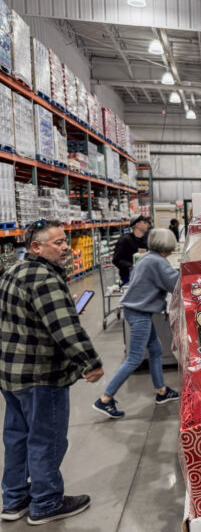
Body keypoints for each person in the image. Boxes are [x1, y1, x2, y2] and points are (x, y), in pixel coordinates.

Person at [0, 219, 104, 525]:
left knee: (17, 437)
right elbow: (65, 329)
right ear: (36, 247)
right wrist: (90, 361)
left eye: (64, 241)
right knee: (47, 439)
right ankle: (46, 502)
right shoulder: (45, 279)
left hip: (11, 374)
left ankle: (14, 500)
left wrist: (63, 306)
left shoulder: (14, 271)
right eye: (57, 243)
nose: (65, 248)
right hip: (41, 376)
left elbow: (25, 314)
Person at [94, 229, 180, 419]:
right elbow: (176, 285)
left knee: (156, 350)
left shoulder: (148, 257)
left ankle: (162, 391)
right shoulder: (158, 262)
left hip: (138, 310)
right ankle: (105, 398)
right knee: (135, 358)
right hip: (140, 312)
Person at [113, 215, 150, 285]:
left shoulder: (145, 240)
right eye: (145, 222)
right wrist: (132, 266)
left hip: (143, 277)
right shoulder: (125, 240)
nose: (147, 224)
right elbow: (116, 260)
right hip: (128, 278)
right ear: (138, 225)